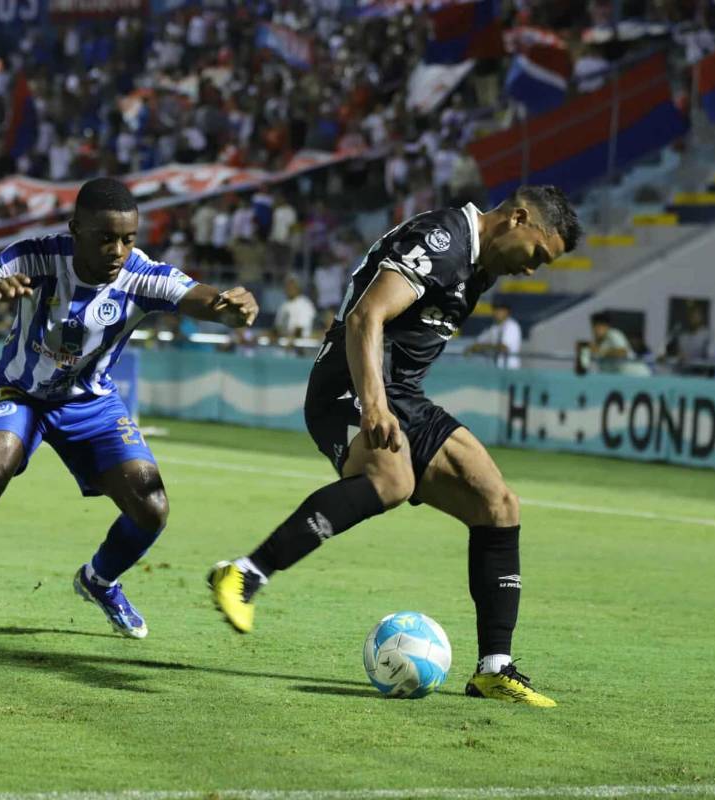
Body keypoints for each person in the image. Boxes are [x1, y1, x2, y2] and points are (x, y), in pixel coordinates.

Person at [208, 185, 581, 707]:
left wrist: (391, 402)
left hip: (402, 397)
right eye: (539, 254)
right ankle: (244, 574)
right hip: (349, 384)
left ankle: (494, 668)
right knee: (392, 480)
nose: (534, 269)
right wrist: (374, 404)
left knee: (498, 504)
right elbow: (365, 318)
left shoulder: (481, 264)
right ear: (519, 218)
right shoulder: (444, 240)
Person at [0, 178, 259, 646]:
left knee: (152, 508)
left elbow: (203, 299)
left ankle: (99, 580)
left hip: (92, 403)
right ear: (75, 229)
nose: (118, 250)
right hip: (21, 392)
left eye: (129, 239)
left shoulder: (141, 274)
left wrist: (232, 308)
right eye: (105, 237)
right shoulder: (31, 256)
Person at [583, 312, 651, 377]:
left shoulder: (613, 334)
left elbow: (622, 352)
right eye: (593, 327)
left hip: (637, 375)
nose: (595, 330)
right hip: (620, 378)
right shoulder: (599, 344)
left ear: (606, 326)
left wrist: (601, 352)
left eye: (598, 326)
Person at [467, 300, 521, 369]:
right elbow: (476, 344)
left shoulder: (512, 326)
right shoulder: (493, 327)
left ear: (507, 312)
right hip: (496, 369)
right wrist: (477, 347)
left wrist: (482, 347)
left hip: (510, 369)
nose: (497, 312)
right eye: (495, 309)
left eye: (500, 310)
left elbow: (503, 348)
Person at [665, 304, 715, 377]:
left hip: (698, 376)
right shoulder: (679, 333)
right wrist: (676, 355)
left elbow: (712, 359)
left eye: (696, 316)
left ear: (701, 318)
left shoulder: (707, 335)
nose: (693, 318)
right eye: (691, 316)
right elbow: (666, 351)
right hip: (680, 374)